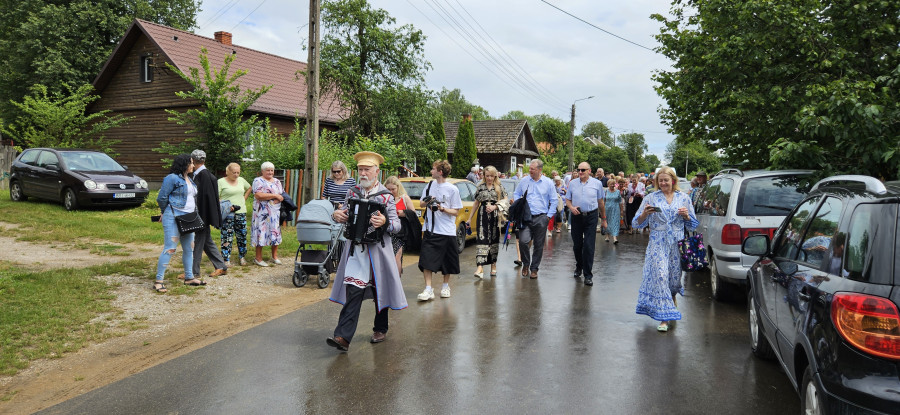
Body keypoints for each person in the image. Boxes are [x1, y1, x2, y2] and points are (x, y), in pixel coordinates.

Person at [327, 152, 407, 351]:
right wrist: (337, 215)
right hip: (356, 251)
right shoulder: (352, 192)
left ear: (376, 172)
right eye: (360, 169)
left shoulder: (386, 196)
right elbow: (345, 212)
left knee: (381, 290)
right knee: (353, 291)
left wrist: (385, 222)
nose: (362, 173)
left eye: (367, 170)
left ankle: (380, 328)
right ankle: (343, 337)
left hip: (379, 252)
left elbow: (397, 226)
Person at [631, 166, 699, 332]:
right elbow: (635, 223)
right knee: (661, 276)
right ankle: (664, 318)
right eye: (660, 180)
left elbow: (693, 224)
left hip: (677, 242)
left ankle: (671, 299)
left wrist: (686, 216)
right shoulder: (651, 198)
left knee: (674, 280)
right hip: (657, 242)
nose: (662, 183)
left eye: (666, 180)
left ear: (673, 181)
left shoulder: (683, 198)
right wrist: (645, 214)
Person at [417, 160, 463, 300]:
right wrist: (428, 201)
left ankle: (445, 286)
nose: (431, 171)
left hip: (447, 231)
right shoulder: (429, 185)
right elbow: (421, 203)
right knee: (426, 260)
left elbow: (456, 211)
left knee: (447, 261)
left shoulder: (452, 189)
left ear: (440, 172)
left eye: (433, 169)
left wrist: (442, 209)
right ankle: (428, 289)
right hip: (430, 229)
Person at [154, 154, 201, 292]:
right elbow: (162, 197)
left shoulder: (190, 179)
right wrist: (164, 211)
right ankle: (158, 281)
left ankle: (189, 277)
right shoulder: (172, 178)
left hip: (189, 218)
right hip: (173, 217)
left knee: (189, 248)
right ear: (184, 164)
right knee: (170, 248)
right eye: (191, 163)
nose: (193, 165)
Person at [513, 159, 556, 279]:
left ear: (539, 169)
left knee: (538, 245)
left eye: (532, 169)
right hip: (526, 217)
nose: (530, 170)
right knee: (523, 241)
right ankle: (526, 264)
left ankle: (534, 269)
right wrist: (518, 203)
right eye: (530, 168)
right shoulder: (524, 181)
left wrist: (548, 216)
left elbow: (554, 200)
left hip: (541, 217)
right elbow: (516, 193)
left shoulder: (548, 182)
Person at [565, 162, 604, 286]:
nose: (580, 172)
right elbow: (567, 199)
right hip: (576, 216)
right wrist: (571, 208)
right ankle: (579, 266)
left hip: (591, 216)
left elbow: (601, 202)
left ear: (589, 171)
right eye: (579, 170)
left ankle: (588, 275)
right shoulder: (572, 183)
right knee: (577, 245)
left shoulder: (597, 184)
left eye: (583, 170)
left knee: (588, 246)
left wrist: (604, 219)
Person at [189, 150, 226, 279]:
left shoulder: (204, 176)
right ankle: (221, 266)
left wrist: (202, 218)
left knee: (198, 242)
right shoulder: (200, 174)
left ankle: (193, 272)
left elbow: (207, 200)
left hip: (202, 216)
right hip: (201, 215)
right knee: (206, 242)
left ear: (193, 160)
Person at [465, 165, 507, 278]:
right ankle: (480, 267)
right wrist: (469, 218)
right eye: (487, 176)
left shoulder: (499, 187)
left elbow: (505, 200)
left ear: (495, 176)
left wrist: (495, 207)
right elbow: (476, 203)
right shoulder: (480, 187)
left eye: (491, 176)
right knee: (481, 239)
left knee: (493, 240)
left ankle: (493, 264)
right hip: (482, 216)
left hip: (495, 216)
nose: (489, 178)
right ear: (484, 176)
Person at [218, 162, 252, 267]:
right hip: (227, 213)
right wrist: (225, 205)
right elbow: (216, 196)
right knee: (226, 236)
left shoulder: (241, 180)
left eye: (238, 172)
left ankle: (242, 257)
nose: (236, 175)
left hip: (241, 212)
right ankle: (226, 259)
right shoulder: (220, 182)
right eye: (234, 172)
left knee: (242, 235)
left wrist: (243, 199)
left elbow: (249, 188)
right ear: (228, 172)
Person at [251, 162, 284, 267]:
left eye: (271, 170)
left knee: (275, 232)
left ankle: (275, 256)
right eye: (268, 170)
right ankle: (258, 258)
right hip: (261, 212)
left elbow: (281, 194)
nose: (270, 172)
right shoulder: (258, 180)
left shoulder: (277, 181)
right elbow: (258, 195)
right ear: (262, 171)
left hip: (274, 212)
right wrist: (274, 195)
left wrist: (279, 198)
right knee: (261, 232)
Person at [384, 175, 414, 275]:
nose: (391, 191)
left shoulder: (404, 198)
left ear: (398, 188)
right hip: (386, 231)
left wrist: (404, 213)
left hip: (400, 233)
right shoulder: (383, 198)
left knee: (397, 255)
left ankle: (396, 280)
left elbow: (413, 214)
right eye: (388, 189)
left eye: (393, 189)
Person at [601, 178, 626, 244]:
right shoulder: (605, 191)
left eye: (613, 184)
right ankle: (607, 235)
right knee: (608, 222)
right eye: (611, 184)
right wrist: (602, 211)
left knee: (615, 222)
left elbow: (620, 202)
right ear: (608, 185)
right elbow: (603, 201)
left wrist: (621, 211)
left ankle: (615, 238)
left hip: (616, 209)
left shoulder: (617, 192)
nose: (612, 185)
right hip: (607, 209)